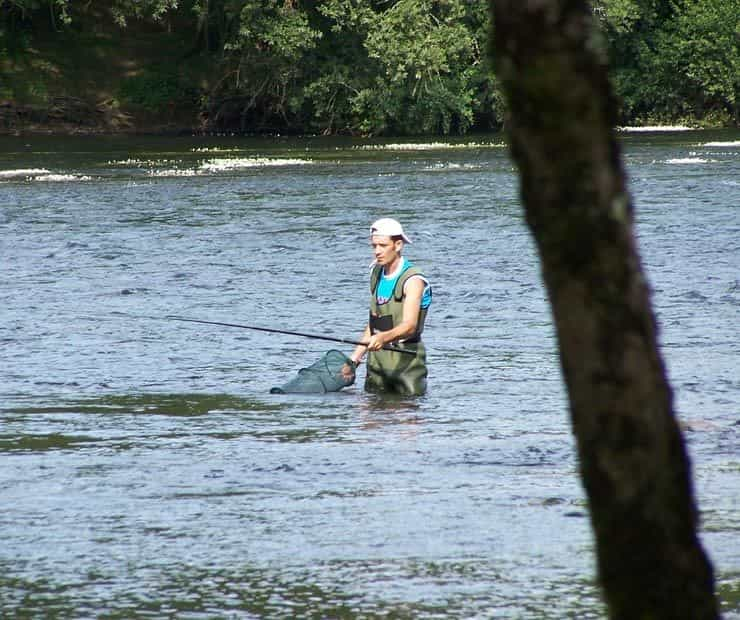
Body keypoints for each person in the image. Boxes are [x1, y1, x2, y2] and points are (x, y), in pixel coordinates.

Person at [348, 217, 432, 395]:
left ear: (398, 245)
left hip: (407, 364)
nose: (377, 251)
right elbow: (373, 324)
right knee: (369, 419)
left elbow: (409, 327)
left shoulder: (413, 280)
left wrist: (382, 338)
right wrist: (354, 359)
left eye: (383, 246)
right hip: (376, 364)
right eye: (374, 246)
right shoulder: (376, 272)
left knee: (406, 419)